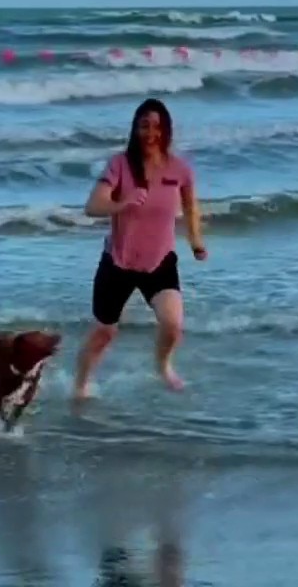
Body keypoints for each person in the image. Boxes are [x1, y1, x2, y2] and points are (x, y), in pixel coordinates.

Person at [73, 98, 206, 399]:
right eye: (144, 126)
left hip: (159, 263)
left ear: (166, 130)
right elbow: (92, 206)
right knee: (104, 333)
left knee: (173, 325)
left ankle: (163, 366)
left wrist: (195, 241)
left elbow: (190, 206)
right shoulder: (119, 165)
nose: (150, 133)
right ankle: (80, 386)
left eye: (157, 127)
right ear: (135, 129)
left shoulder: (179, 168)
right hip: (118, 263)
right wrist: (121, 204)